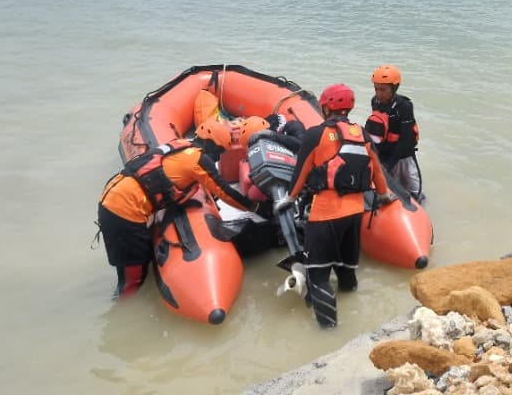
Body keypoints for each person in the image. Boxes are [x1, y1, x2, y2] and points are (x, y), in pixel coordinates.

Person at [274, 83, 392, 328]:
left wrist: (289, 199)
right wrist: (384, 195)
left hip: (325, 216)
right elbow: (376, 171)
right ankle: (357, 320)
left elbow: (301, 171)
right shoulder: (362, 134)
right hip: (355, 214)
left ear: (326, 107)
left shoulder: (315, 134)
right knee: (347, 272)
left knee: (318, 277)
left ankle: (329, 331)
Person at [97, 137, 264, 298]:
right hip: (124, 212)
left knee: (130, 273)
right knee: (133, 282)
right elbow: (225, 192)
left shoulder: (183, 145)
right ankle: (123, 313)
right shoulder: (199, 160)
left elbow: (174, 182)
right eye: (220, 150)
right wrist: (255, 207)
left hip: (113, 198)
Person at [366, 65, 423, 202]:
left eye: (383, 90)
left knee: (416, 192)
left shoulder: (404, 106)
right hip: (384, 153)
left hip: (403, 156)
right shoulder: (375, 101)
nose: (379, 93)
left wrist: (389, 165)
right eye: (376, 89)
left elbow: (406, 140)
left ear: (394, 88)